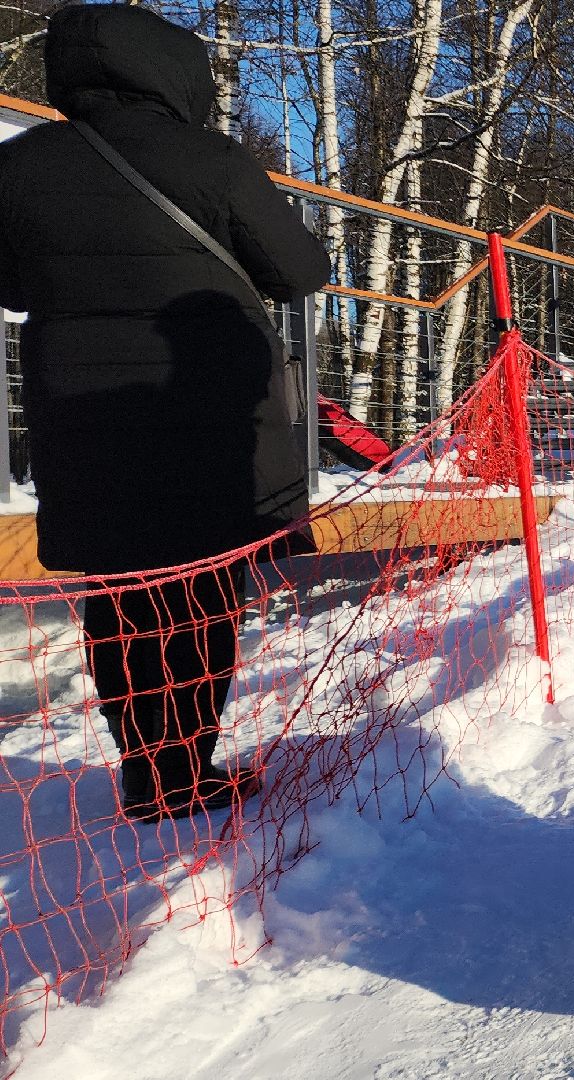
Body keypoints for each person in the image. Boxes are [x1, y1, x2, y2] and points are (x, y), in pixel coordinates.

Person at [0, 4, 331, 822]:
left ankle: (142, 770)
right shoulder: (208, 159)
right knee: (204, 590)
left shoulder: (18, 166)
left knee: (119, 593)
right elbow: (298, 269)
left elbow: (8, 288)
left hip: (82, 417)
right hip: (206, 415)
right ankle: (185, 766)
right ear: (170, 71)